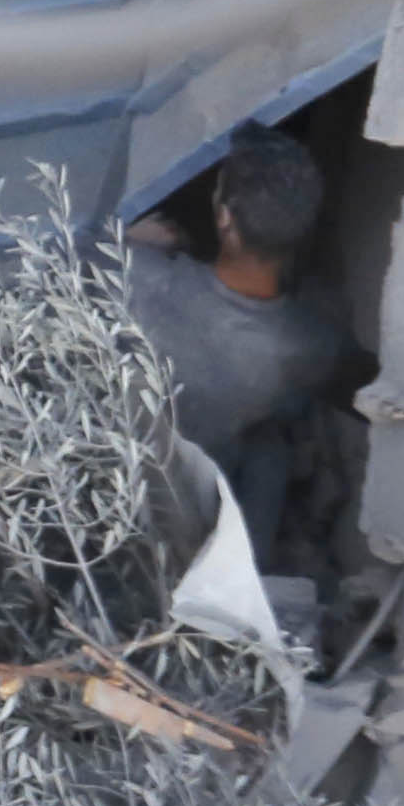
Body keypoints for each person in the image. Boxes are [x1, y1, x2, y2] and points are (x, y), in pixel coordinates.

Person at [128, 137, 351, 546]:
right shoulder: (310, 345)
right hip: (203, 482)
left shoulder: (143, 280)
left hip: (122, 478)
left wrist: (127, 235)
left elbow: (57, 248)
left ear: (224, 218)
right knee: (269, 448)